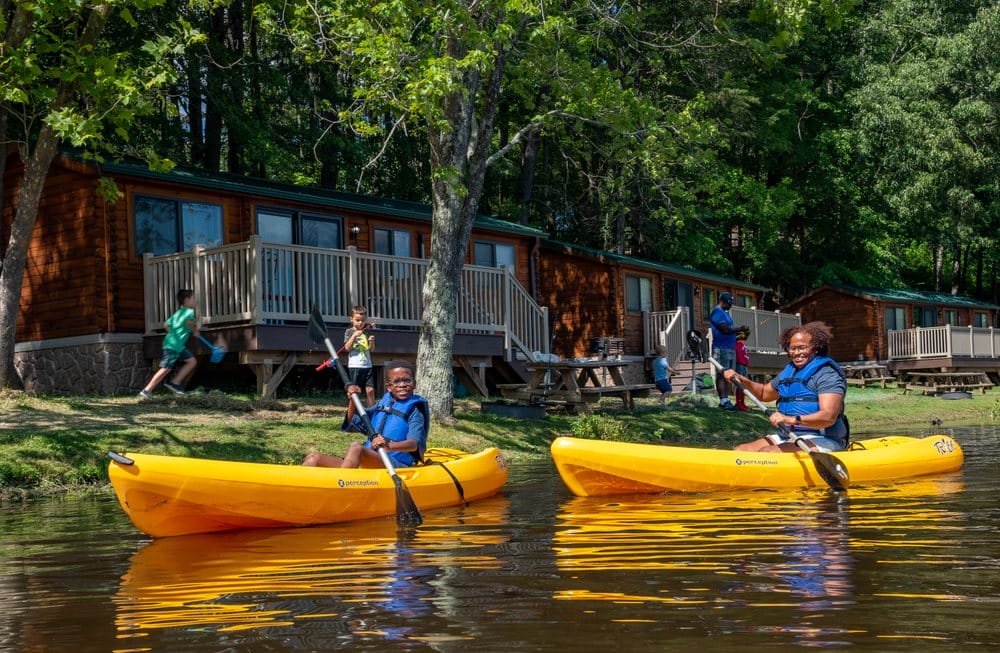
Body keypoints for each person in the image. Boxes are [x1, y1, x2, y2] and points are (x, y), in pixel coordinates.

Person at [724, 321, 849, 453]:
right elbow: (764, 393)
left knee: (767, 453)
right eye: (792, 348)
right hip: (789, 435)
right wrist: (741, 379)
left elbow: (828, 416)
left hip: (824, 438)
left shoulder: (827, 374)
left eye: (802, 348)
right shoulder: (789, 371)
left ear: (816, 348)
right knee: (741, 450)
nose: (797, 352)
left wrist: (791, 419)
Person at [302, 361, 429, 468]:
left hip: (396, 464)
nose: (402, 385)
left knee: (356, 447)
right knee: (313, 458)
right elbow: (352, 421)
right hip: (371, 458)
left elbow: (413, 444)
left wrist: (388, 446)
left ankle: (342, 484)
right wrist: (352, 400)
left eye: (407, 380)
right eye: (397, 381)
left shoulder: (415, 411)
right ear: (388, 387)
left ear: (414, 383)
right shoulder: (383, 404)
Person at [138, 289, 198, 399]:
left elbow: (166, 325)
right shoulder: (190, 312)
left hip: (176, 345)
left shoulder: (178, 313)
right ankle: (146, 391)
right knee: (166, 368)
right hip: (174, 346)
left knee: (192, 361)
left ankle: (175, 383)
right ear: (186, 300)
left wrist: (174, 332)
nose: (195, 300)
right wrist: (195, 331)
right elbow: (190, 323)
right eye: (193, 298)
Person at [710, 292, 748, 411]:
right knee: (722, 374)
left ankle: (726, 400)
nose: (730, 305)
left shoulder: (725, 313)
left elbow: (730, 332)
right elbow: (725, 330)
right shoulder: (717, 312)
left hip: (730, 347)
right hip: (721, 348)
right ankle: (723, 400)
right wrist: (739, 328)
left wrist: (740, 335)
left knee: (729, 375)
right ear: (723, 301)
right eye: (729, 303)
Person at [345, 305, 376, 406]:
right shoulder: (349, 331)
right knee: (355, 391)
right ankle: (352, 412)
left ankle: (371, 412)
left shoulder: (366, 331)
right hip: (355, 366)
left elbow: (371, 349)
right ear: (351, 319)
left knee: (370, 390)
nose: (360, 323)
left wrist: (371, 342)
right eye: (357, 320)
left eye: (363, 320)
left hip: (368, 365)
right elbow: (347, 348)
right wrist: (354, 336)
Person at [733, 328, 751, 412]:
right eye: (741, 334)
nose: (743, 336)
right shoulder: (736, 344)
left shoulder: (743, 343)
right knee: (739, 384)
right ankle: (739, 403)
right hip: (739, 365)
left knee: (744, 384)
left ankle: (742, 403)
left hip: (744, 366)